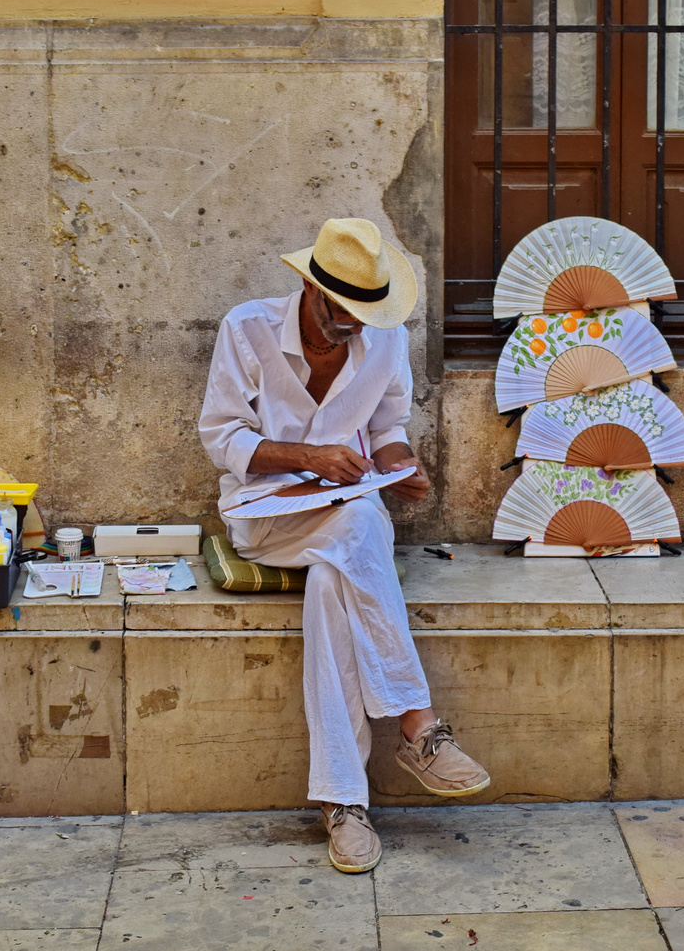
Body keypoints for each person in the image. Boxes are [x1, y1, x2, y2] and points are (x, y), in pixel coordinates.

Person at [198, 217, 490, 873]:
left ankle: (342, 804)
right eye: (344, 310)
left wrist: (403, 465)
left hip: (347, 521)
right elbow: (222, 436)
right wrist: (309, 458)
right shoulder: (247, 331)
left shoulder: (385, 341)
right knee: (359, 531)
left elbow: (387, 427)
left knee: (336, 577)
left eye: (367, 312)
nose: (356, 324)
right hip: (268, 520)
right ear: (311, 288)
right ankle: (418, 724)